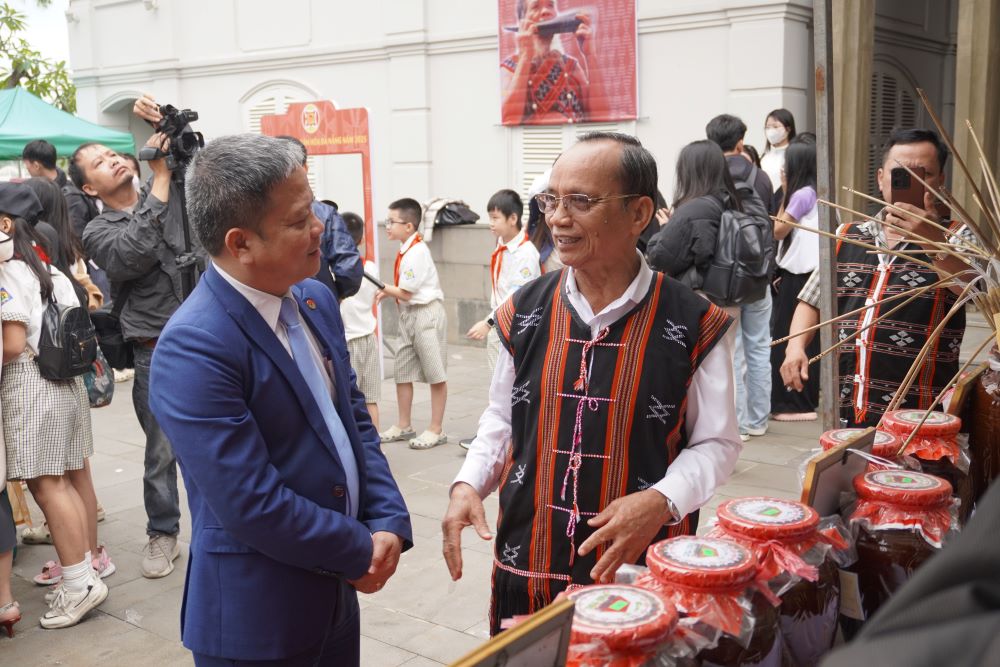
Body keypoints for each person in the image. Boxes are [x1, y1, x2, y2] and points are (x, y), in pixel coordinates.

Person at [442, 132, 742, 635]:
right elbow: (502, 416)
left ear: (639, 214)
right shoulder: (525, 309)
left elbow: (718, 442)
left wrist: (661, 500)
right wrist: (469, 483)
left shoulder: (692, 320)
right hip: (529, 558)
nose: (558, 218)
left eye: (581, 201)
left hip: (638, 569)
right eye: (550, 200)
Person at [148, 133, 412, 666]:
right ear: (240, 243)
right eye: (298, 221)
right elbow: (251, 502)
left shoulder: (313, 297)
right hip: (258, 616)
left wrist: (387, 519)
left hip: (334, 597)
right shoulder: (195, 345)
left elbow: (353, 421)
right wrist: (358, 550)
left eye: (313, 208)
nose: (320, 227)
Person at [77, 100, 202, 580]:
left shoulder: (170, 187)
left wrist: (164, 127)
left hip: (212, 333)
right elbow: (133, 254)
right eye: (97, 162)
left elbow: (196, 161)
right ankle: (163, 532)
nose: (111, 158)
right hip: (158, 348)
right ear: (90, 187)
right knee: (161, 449)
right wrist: (162, 182)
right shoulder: (97, 230)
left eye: (111, 152)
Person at [780, 129, 965, 428]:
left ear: (941, 180)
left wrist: (932, 239)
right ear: (880, 179)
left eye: (924, 174)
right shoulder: (846, 236)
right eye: (900, 174)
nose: (912, 182)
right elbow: (811, 301)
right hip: (847, 409)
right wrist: (795, 347)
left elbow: (971, 287)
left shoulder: (958, 238)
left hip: (921, 417)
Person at [0, 182, 110, 629]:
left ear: (5, 224)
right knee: (65, 479)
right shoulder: (51, 269)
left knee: (48, 487)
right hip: (65, 383)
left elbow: (10, 343)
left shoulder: (9, 273)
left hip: (30, 383)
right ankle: (83, 573)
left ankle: (80, 582)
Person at [706, 114, 778, 441]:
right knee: (760, 347)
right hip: (759, 277)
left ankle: (735, 425)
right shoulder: (760, 177)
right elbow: (771, 224)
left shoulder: (709, 176)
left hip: (725, 279)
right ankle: (758, 420)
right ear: (740, 142)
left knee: (730, 353)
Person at [376, 198, 449, 450]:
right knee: (402, 370)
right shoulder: (406, 248)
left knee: (435, 373)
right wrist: (388, 292)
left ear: (408, 226)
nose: (387, 226)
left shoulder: (417, 251)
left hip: (425, 314)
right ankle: (404, 424)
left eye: (391, 221)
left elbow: (406, 292)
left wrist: (382, 286)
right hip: (408, 315)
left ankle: (436, 429)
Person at [646, 139, 742, 308]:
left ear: (689, 171)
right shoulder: (729, 199)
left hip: (700, 299)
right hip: (728, 294)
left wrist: (665, 228)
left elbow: (661, 257)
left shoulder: (692, 210)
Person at [769, 137, 820, 421]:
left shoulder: (801, 195)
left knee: (787, 340)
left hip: (799, 277)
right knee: (806, 342)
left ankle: (793, 405)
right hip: (806, 275)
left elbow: (778, 230)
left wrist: (785, 190)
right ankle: (803, 402)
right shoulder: (814, 193)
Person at [277, 136, 363, 301]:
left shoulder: (258, 214)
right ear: (305, 168)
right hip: (319, 304)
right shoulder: (326, 213)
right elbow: (349, 269)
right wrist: (334, 294)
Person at [466, 189, 541, 373]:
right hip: (500, 322)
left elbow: (515, 296)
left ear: (513, 219)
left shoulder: (525, 253)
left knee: (507, 384)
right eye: (490, 218)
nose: (490, 223)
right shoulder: (502, 244)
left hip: (514, 327)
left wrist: (488, 323)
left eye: (495, 218)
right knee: (498, 383)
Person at [501, 0, 606, 124]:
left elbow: (601, 117)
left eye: (550, 5)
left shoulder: (571, 66)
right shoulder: (509, 68)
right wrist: (525, 56)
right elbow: (508, 119)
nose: (546, 11)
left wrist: (590, 55)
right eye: (535, 7)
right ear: (522, 22)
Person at [340, 211, 382, 430]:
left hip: (349, 340)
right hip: (369, 337)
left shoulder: (337, 271)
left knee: (348, 400)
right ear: (362, 239)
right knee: (370, 397)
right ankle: (376, 445)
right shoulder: (371, 268)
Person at [760, 108, 796, 196]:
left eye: (775, 127)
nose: (770, 131)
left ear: (788, 129)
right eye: (767, 127)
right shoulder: (763, 157)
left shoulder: (794, 156)